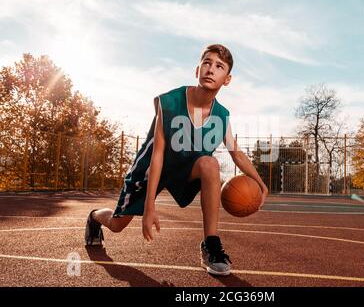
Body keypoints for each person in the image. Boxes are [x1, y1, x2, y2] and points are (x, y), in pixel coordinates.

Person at [85, 44, 269, 276]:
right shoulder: (170, 102)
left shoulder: (221, 115)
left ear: (227, 79)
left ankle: (211, 244)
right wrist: (149, 207)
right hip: (150, 168)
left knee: (209, 164)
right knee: (117, 225)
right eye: (207, 63)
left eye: (219, 66)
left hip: (184, 170)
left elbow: (236, 153)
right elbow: (157, 155)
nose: (211, 70)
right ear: (197, 70)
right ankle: (94, 217)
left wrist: (260, 184)